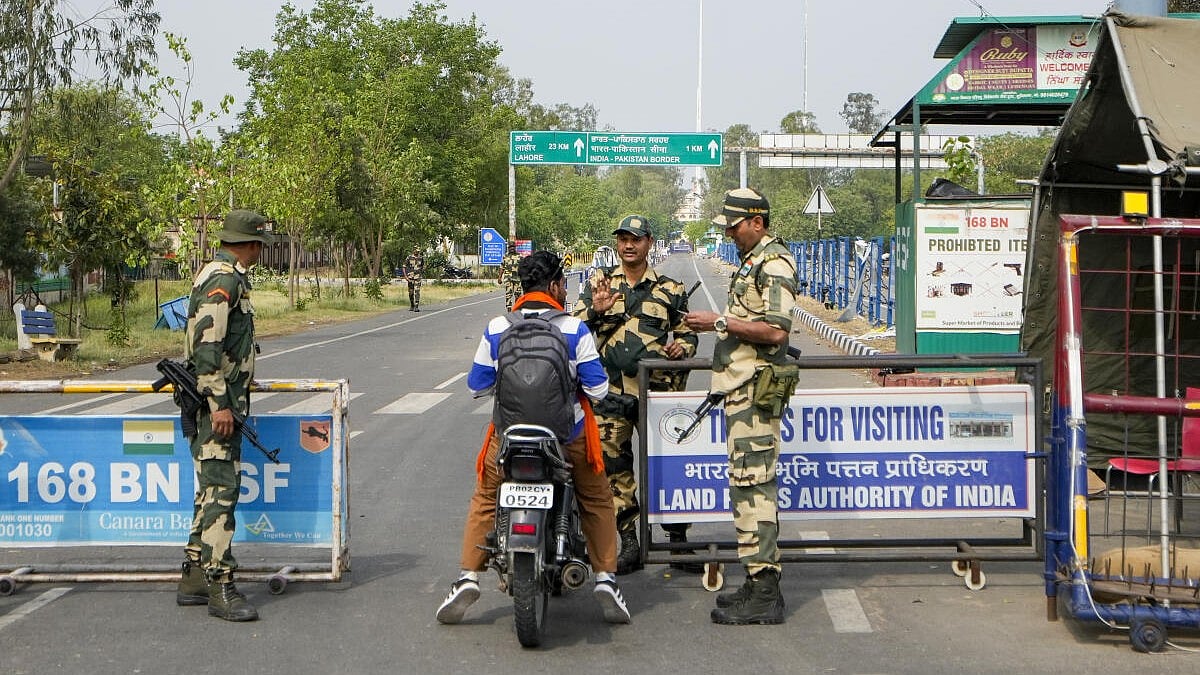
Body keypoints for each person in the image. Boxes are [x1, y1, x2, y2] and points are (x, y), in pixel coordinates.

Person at [436, 250, 631, 625]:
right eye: (563, 284)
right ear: (555, 286)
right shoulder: (574, 329)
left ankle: (467, 577)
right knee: (596, 497)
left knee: (486, 496)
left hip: (509, 438)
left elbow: (476, 386)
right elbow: (598, 390)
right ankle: (606, 579)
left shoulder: (497, 327)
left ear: (523, 287)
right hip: (567, 437)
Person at [684, 188, 798, 626]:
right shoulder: (754, 261)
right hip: (741, 390)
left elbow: (776, 331)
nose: (730, 235)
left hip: (756, 391)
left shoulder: (774, 264)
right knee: (745, 487)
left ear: (757, 222)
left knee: (756, 488)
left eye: (734, 227)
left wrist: (719, 321)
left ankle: (766, 589)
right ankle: (755, 579)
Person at [573, 214, 699, 575]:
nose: (629, 245)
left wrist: (683, 348)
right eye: (623, 239)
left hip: (657, 395)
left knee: (668, 465)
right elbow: (573, 328)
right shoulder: (599, 284)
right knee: (614, 470)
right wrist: (595, 311)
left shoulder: (670, 289)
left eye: (636, 239)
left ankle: (677, 539)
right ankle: (628, 539)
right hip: (609, 396)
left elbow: (687, 332)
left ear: (649, 243)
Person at [175, 209, 271, 622]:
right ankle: (220, 585)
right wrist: (220, 404)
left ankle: (195, 576)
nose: (261, 251)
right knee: (221, 492)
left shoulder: (222, 274)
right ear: (250, 244)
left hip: (219, 402)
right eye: (260, 244)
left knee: (210, 490)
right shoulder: (223, 278)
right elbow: (207, 345)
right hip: (216, 407)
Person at [498, 244, 522, 311]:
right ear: (508, 248)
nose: (512, 248)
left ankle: (517, 308)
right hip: (508, 278)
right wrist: (499, 277)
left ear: (515, 248)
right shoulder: (505, 256)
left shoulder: (519, 256)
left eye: (513, 247)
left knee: (518, 294)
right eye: (510, 247)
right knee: (508, 294)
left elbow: (523, 267)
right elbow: (502, 267)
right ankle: (509, 308)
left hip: (517, 279)